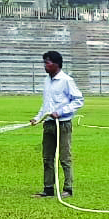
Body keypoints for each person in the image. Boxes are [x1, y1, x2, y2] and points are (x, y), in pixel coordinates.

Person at [29, 51, 84, 198]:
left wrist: (61, 112)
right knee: (47, 158)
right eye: (44, 62)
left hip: (63, 124)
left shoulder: (66, 81)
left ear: (56, 64)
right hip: (48, 124)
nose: (45, 66)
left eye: (47, 62)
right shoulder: (46, 81)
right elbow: (46, 105)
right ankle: (48, 189)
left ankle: (68, 189)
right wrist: (37, 118)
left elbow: (78, 100)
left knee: (65, 158)